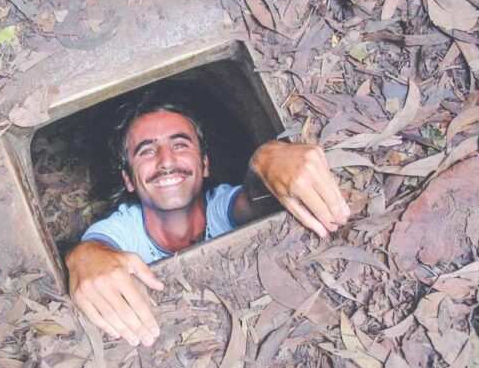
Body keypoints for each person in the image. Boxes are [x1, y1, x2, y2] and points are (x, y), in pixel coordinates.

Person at [65, 101, 350, 347]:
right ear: (128, 179)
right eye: (147, 151)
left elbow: (254, 200)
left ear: (205, 164)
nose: (166, 161)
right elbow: (96, 248)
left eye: (179, 144)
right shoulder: (124, 228)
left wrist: (268, 159)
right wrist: (82, 256)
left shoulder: (221, 207)